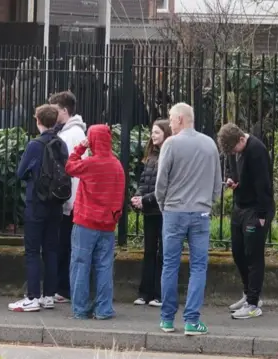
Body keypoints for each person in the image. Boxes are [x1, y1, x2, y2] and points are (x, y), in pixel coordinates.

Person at [155, 103, 222, 335]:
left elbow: (161, 182)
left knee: (170, 264)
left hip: (174, 210)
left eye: (172, 118)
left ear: (181, 119)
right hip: (201, 211)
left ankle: (166, 319)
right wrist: (208, 203)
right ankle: (192, 320)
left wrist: (164, 205)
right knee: (198, 266)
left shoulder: (171, 144)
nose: (170, 122)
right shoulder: (209, 144)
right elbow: (217, 183)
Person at [9, 105, 68, 312]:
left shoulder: (35, 145)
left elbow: (21, 172)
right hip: (56, 203)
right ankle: (49, 295)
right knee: (51, 250)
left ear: (38, 121)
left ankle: (33, 297)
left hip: (37, 202)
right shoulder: (61, 144)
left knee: (33, 251)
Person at [65, 124, 125, 320]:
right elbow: (119, 194)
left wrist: (80, 148)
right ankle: (103, 308)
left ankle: (81, 308)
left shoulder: (90, 163)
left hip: (85, 222)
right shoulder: (116, 165)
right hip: (107, 224)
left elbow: (69, 166)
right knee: (104, 266)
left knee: (81, 265)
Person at [217, 123, 273, 320]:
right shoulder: (233, 149)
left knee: (253, 254)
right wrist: (232, 180)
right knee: (238, 251)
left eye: (234, 150)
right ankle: (248, 293)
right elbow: (235, 172)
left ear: (241, 139)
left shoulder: (256, 151)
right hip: (240, 206)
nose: (233, 154)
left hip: (257, 208)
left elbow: (263, 184)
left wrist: (261, 215)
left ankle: (253, 303)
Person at [49, 91, 86, 304]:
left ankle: (63, 288)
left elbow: (69, 170)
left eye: (54, 109)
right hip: (74, 199)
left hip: (69, 201)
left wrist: (67, 201)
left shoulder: (69, 135)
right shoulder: (75, 133)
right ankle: (65, 286)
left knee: (64, 245)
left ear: (64, 110)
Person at [131, 119, 171, 307]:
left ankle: (159, 293)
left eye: (156, 132)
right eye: (152, 132)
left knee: (163, 252)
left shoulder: (169, 155)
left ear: (166, 133)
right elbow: (144, 181)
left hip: (163, 209)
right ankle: (145, 292)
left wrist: (145, 199)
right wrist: (138, 197)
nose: (152, 136)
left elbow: (166, 186)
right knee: (149, 251)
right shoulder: (151, 157)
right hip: (150, 210)